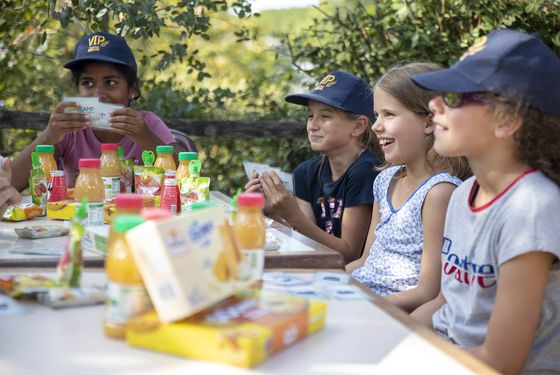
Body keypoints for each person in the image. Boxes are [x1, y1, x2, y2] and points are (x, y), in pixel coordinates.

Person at [409, 29, 560, 374]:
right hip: (446, 354)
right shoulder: (463, 193)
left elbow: (501, 362)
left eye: (455, 96)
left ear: (508, 120)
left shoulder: (532, 207)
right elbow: (449, 305)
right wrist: (390, 333)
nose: (434, 104)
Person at [348, 62, 470, 313]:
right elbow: (365, 259)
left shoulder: (439, 192)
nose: (376, 126)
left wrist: (360, 304)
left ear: (428, 122)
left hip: (389, 312)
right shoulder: (384, 180)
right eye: (376, 115)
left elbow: (427, 291)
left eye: (388, 114)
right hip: (361, 295)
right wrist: (326, 282)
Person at [11, 31, 176, 190]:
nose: (98, 94)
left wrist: (146, 138)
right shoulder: (70, 130)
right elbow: (10, 184)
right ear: (77, 91)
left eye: (110, 82)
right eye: (88, 83)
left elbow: (186, 180)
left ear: (133, 89)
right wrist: (49, 135)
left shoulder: (148, 125)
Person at [245, 71, 381, 263]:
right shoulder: (306, 172)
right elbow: (307, 239)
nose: (312, 126)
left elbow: (349, 254)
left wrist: (292, 214)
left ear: (358, 126)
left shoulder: (365, 172)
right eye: (310, 116)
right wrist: (274, 211)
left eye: (325, 116)